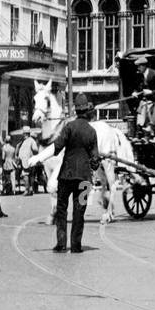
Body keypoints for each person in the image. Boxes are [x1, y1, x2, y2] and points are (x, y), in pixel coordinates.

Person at [53, 93, 98, 253]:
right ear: (87, 110)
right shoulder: (92, 131)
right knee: (80, 210)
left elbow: (57, 147)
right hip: (84, 179)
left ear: (76, 110)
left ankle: (61, 243)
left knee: (62, 208)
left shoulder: (69, 127)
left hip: (66, 175)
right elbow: (95, 160)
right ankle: (76, 245)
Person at [18, 130, 40, 195]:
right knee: (29, 175)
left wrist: (30, 154)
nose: (23, 135)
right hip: (25, 161)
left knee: (26, 175)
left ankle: (27, 190)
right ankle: (29, 190)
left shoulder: (31, 140)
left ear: (26, 134)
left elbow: (35, 149)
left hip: (28, 161)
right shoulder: (26, 141)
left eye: (23, 134)